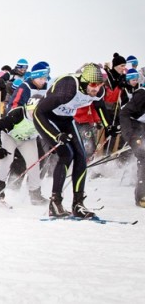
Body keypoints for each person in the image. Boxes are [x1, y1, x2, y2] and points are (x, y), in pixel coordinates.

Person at [33, 63, 117, 218]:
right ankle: (55, 203)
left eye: (99, 85)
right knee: (66, 154)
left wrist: (109, 125)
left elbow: (99, 105)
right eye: (93, 85)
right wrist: (55, 135)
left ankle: (78, 204)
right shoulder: (68, 89)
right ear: (84, 82)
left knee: (81, 157)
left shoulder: (97, 91)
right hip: (47, 118)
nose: (96, 89)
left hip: (66, 120)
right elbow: (38, 113)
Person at [0, 96, 47, 205]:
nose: (34, 114)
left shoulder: (44, 118)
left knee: (34, 162)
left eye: (37, 111)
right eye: (32, 110)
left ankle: (35, 194)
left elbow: (49, 131)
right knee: (6, 159)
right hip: (10, 137)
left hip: (28, 140)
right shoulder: (17, 115)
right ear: (28, 108)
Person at [118, 87, 145, 207]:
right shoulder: (142, 95)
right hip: (135, 129)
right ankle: (142, 196)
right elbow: (124, 114)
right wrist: (131, 137)